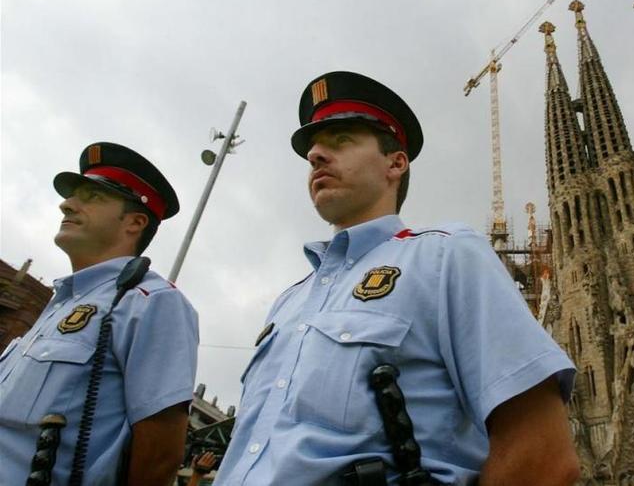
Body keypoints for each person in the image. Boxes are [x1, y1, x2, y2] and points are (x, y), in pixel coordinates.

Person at [214, 71, 579, 485]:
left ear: (395, 163)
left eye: (341, 141)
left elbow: (543, 455)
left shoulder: (445, 256)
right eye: (313, 148)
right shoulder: (288, 303)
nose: (316, 155)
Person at [0, 142, 199, 485]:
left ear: (135, 222)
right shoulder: (61, 304)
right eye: (74, 195)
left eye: (91, 196)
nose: (67, 203)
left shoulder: (150, 302)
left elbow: (160, 455)